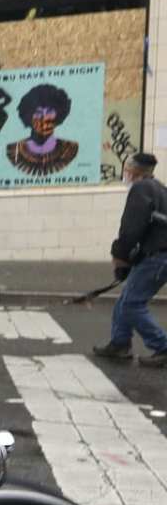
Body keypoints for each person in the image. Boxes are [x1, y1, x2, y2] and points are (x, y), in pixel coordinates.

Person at [96, 152, 167, 367]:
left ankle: (162, 346)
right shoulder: (160, 189)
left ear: (134, 170)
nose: (125, 171)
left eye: (127, 167)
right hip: (157, 255)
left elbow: (131, 227)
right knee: (125, 300)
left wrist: (120, 256)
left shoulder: (142, 189)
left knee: (132, 304)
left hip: (156, 256)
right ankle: (119, 343)